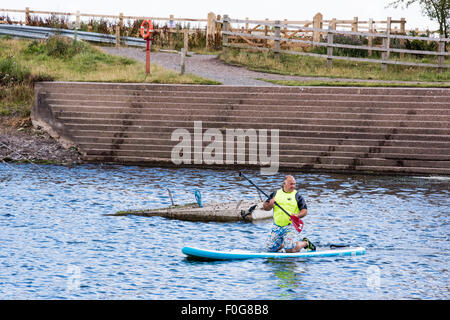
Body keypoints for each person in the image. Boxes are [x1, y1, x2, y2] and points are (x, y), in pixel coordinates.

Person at [263, 175, 315, 253]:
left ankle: (305, 243)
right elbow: (265, 207)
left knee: (289, 250)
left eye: (294, 184)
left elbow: (304, 211)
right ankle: (285, 242)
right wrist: (270, 205)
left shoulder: (297, 196)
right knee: (270, 250)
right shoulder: (275, 194)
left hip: (290, 226)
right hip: (277, 226)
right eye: (291, 184)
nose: (293, 186)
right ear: (284, 184)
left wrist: (297, 215)